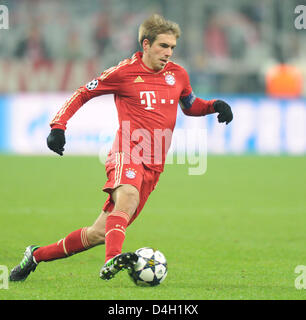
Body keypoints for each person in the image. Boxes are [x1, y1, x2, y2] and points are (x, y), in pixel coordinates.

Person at [10, 14, 233, 282]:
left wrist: (213, 106)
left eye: (172, 47)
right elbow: (83, 92)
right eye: (163, 46)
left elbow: (190, 105)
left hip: (154, 165)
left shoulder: (178, 74)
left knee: (99, 233)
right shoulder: (124, 72)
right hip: (127, 152)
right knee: (127, 196)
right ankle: (111, 261)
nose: (168, 53)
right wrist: (58, 126)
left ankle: (35, 255)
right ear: (146, 44)